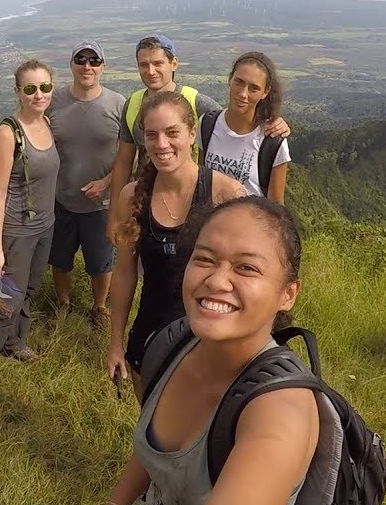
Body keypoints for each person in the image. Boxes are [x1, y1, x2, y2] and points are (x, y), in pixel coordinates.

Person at [106, 196, 319, 505]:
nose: (217, 280)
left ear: (288, 294)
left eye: (246, 268)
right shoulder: (172, 345)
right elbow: (151, 458)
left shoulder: (279, 414)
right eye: (204, 259)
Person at [105, 90, 245, 401]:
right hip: (150, 338)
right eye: (152, 135)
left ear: (192, 133)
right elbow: (125, 273)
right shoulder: (132, 197)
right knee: (151, 429)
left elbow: (245, 278)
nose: (162, 144)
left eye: (172, 133)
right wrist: (116, 342)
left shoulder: (225, 194)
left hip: (210, 341)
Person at [106, 35, 290, 236]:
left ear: (173, 63)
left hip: (232, 225)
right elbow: (124, 162)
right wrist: (116, 217)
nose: (151, 71)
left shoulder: (200, 107)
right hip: (164, 209)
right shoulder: (133, 104)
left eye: (158, 63)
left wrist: (273, 121)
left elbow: (275, 204)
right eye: (144, 64)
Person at [0, 60, 61, 384]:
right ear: (17, 92)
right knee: (5, 297)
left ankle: (12, 342)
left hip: (44, 227)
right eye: (30, 89)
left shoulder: (45, 123)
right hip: (15, 232)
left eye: (45, 87)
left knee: (28, 290)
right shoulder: (9, 134)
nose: (38, 95)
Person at [46, 40, 126, 326]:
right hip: (60, 198)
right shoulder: (52, 101)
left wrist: (106, 183)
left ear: (103, 66)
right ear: (71, 65)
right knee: (60, 258)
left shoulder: (119, 104)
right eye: (80, 59)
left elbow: (131, 153)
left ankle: (99, 307)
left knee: (101, 261)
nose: (87, 66)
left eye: (94, 60)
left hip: (102, 203)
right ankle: (63, 303)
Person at [200, 52, 291, 203]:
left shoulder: (272, 140)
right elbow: (201, 180)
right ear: (230, 80)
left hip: (250, 225)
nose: (243, 94)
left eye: (253, 88)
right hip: (209, 223)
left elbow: (276, 205)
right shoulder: (207, 124)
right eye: (239, 82)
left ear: (265, 92)